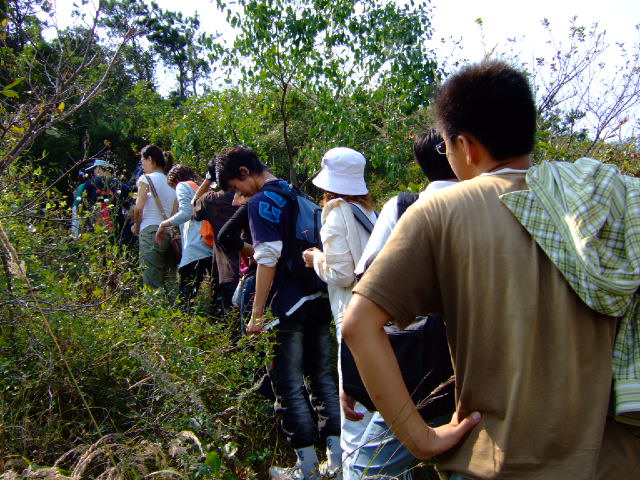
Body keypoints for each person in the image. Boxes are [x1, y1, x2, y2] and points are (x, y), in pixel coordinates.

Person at [343, 59, 640, 479]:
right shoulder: (603, 201)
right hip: (611, 463)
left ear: (466, 146)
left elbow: (358, 325)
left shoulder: (442, 212)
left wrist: (421, 439)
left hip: (496, 462)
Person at [215, 146, 341, 480]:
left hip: (286, 306)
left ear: (244, 172)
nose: (240, 195)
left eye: (236, 186)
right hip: (318, 298)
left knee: (288, 384)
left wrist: (256, 313)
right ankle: (338, 461)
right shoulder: (295, 193)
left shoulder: (261, 202)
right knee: (323, 379)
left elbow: (267, 257)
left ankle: (307, 468)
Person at [343, 131, 457, 480]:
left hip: (420, 368)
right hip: (483, 373)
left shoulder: (405, 206)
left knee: (367, 471)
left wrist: (353, 377)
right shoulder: (499, 203)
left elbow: (367, 286)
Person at [300, 147, 377, 476]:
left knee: (354, 414)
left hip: (351, 317)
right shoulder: (369, 213)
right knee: (377, 410)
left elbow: (341, 273)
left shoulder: (335, 212)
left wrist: (315, 258)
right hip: (378, 317)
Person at [156, 164, 213, 307]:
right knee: (214, 293)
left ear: (175, 180)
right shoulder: (203, 188)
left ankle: (184, 320)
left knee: (186, 297)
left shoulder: (182, 185)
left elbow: (186, 213)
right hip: (211, 245)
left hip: (195, 248)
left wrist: (163, 224)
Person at [192, 158, 241, 316]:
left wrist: (208, 179)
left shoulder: (211, 200)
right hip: (253, 269)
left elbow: (194, 204)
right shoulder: (249, 197)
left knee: (229, 320)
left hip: (226, 271)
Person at [132, 144, 177, 297]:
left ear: (150, 159)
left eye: (142, 161)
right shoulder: (172, 184)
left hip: (150, 232)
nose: (142, 165)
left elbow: (138, 208)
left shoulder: (146, 179)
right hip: (168, 234)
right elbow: (174, 214)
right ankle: (175, 311)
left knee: (151, 282)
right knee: (170, 281)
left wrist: (136, 226)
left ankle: (155, 311)